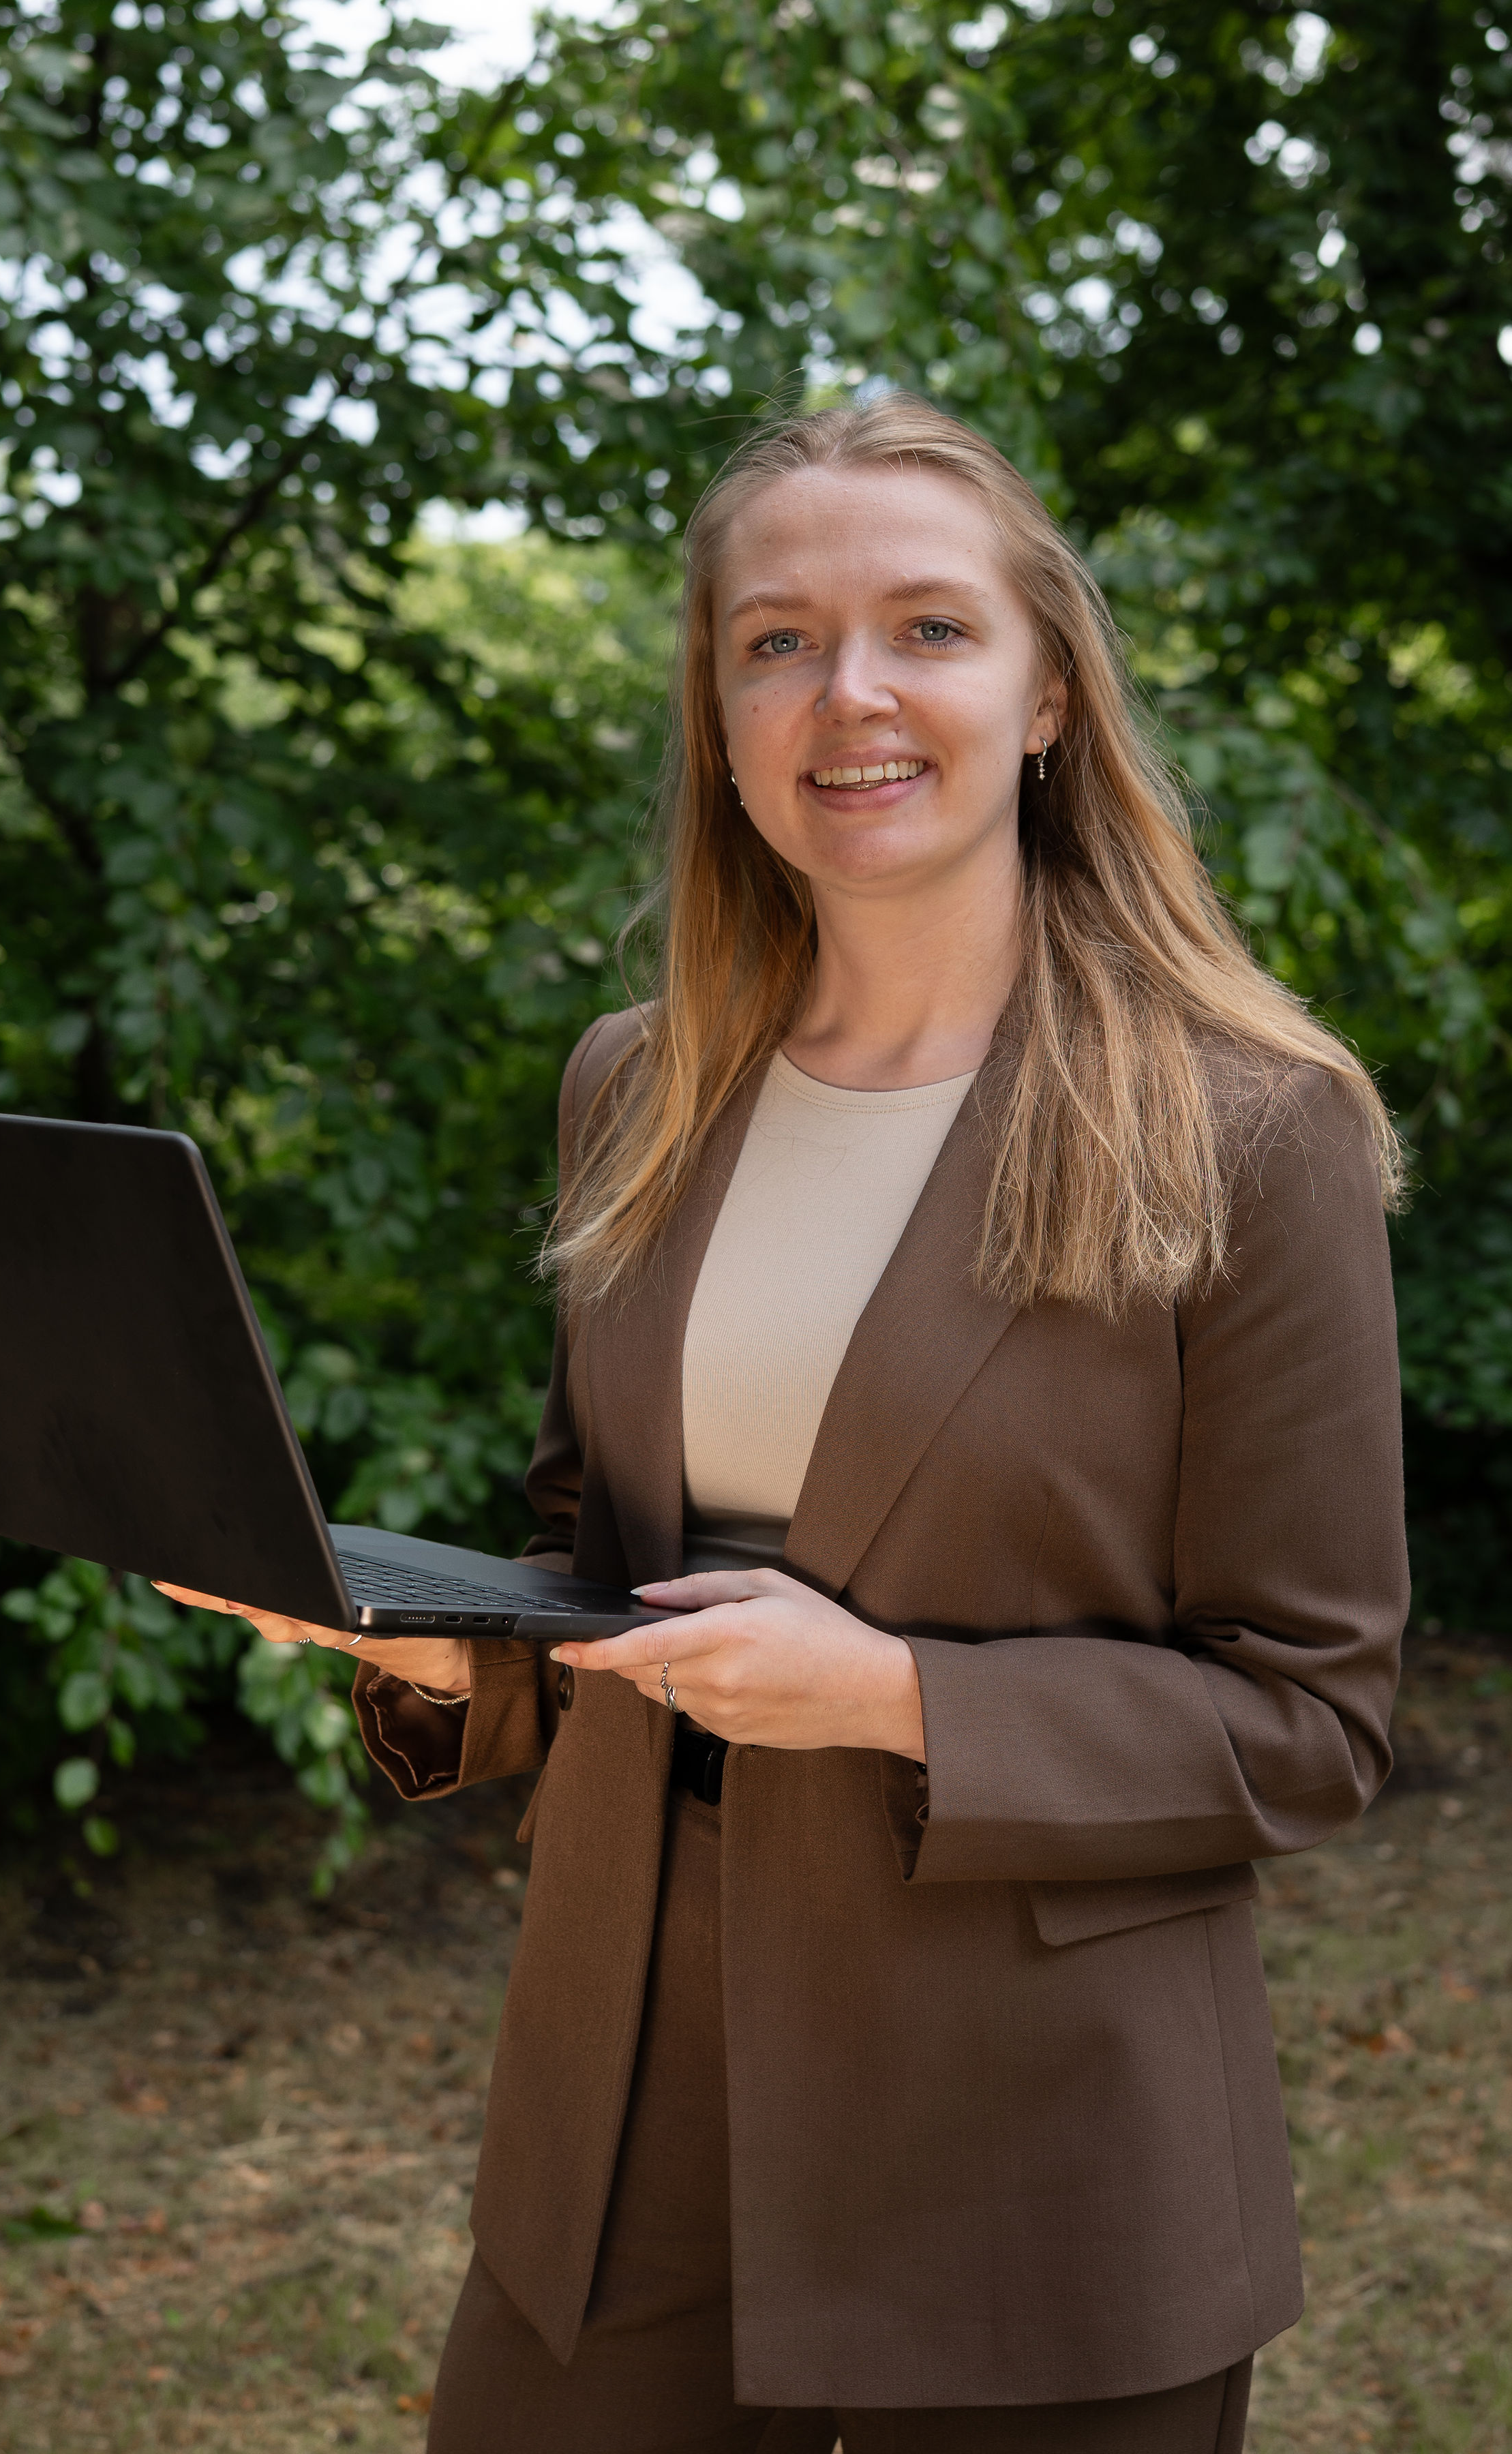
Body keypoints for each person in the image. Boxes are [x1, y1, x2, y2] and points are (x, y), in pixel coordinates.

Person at [161, 394, 1408, 2452]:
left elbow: (1314, 1719)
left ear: (1047, 697)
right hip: (624, 2065)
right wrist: (443, 1656)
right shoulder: (637, 1085)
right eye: (778, 642)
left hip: (1029, 2102)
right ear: (722, 721)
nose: (850, 694)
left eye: (930, 628)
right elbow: (596, 1568)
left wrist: (900, 1697)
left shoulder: (1252, 1129)